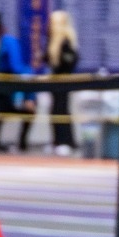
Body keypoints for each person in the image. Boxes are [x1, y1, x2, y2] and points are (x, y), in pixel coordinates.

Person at [0, 10, 33, 151]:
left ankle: (22, 142)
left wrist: (27, 96)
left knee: (26, 110)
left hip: (10, 85)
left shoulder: (8, 41)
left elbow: (17, 67)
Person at [44, 9, 82, 155]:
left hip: (64, 80)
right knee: (55, 110)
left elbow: (70, 60)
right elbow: (49, 59)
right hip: (55, 81)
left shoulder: (66, 40)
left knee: (61, 109)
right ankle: (56, 140)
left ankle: (66, 141)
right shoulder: (53, 41)